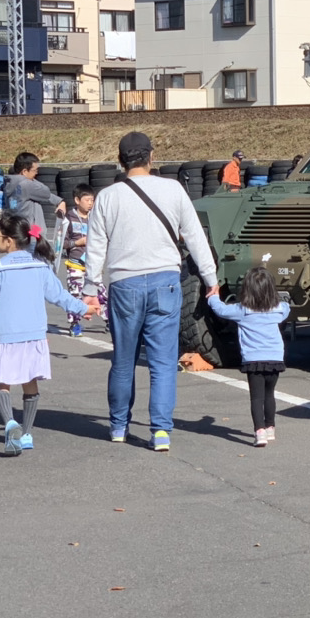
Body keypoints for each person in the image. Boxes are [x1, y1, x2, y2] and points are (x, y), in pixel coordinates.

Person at [83, 131, 218, 452]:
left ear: (120, 161)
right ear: (151, 157)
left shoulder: (108, 197)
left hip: (124, 284)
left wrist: (90, 288)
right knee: (162, 362)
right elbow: (195, 237)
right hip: (165, 283)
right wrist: (211, 278)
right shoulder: (173, 189)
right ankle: (160, 431)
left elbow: (95, 247)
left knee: (123, 360)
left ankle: (118, 426)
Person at [0, 214, 97, 455]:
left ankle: (10, 423)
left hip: (7, 336)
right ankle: (25, 433)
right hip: (35, 336)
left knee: (2, 384)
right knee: (30, 382)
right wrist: (83, 308)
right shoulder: (41, 266)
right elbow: (60, 296)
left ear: (8, 241)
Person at [206, 266, 290, 447]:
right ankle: (270, 428)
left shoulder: (241, 310)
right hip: (275, 357)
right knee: (269, 395)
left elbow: (220, 310)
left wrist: (213, 295)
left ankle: (259, 432)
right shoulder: (278, 309)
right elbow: (287, 307)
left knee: (256, 398)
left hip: (253, 359)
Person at [65, 184, 108, 337]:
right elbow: (60, 243)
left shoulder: (96, 217)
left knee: (101, 293)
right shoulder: (68, 219)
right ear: (77, 200)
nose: (90, 203)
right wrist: (77, 243)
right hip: (75, 263)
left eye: (92, 200)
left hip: (93, 264)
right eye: (87, 200)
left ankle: (108, 320)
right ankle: (75, 324)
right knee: (75, 294)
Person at [4, 152, 66, 226]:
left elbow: (41, 194)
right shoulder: (26, 184)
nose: (36, 173)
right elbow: (45, 192)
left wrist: (59, 201)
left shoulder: (9, 182)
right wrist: (31, 179)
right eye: (35, 170)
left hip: (14, 226)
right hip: (29, 231)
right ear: (24, 171)